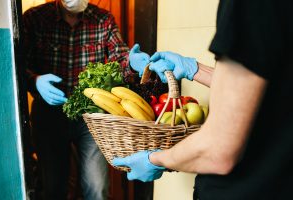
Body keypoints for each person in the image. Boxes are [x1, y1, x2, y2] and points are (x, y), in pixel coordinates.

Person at [113, 0, 293, 199]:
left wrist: (154, 159)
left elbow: (218, 152)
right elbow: (273, 91)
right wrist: (195, 69)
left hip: (245, 189)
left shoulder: (253, 5)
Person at [22, 0, 151, 199]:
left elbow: (120, 56)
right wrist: (35, 80)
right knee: (52, 188)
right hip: (49, 116)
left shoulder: (103, 20)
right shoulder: (35, 19)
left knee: (97, 187)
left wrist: (131, 62)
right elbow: (16, 64)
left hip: (92, 116)